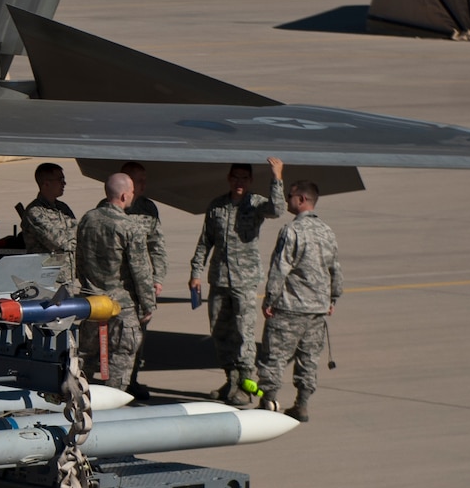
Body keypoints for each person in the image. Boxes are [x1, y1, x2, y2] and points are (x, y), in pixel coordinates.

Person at [187, 157, 286, 404]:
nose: (239, 182)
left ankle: (244, 385)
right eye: (235, 177)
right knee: (220, 332)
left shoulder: (255, 203)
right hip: (220, 279)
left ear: (250, 180)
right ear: (229, 179)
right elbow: (205, 241)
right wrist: (196, 272)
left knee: (244, 333)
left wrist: (276, 177)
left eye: (244, 178)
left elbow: (277, 210)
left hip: (245, 280)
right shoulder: (217, 206)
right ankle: (231, 379)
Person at [256, 179, 342, 422]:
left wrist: (269, 299)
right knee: (308, 358)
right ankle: (301, 404)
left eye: (290, 196)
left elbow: (280, 268)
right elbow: (335, 269)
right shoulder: (327, 231)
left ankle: (268, 401)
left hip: (290, 307)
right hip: (317, 310)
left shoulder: (292, 231)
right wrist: (333, 298)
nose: (287, 200)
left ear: (302, 199)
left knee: (274, 356)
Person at [75, 172, 156, 395]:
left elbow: (79, 260)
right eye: (131, 192)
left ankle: (79, 401)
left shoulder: (88, 220)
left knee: (84, 359)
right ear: (123, 196)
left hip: (92, 304)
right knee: (120, 361)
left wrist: (88, 287)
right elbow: (141, 271)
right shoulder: (130, 226)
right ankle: (111, 406)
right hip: (121, 307)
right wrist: (148, 304)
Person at [120, 161, 166, 397]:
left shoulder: (148, 208)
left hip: (142, 285)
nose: (144, 185)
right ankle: (115, 384)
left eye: (144, 180)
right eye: (139, 181)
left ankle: (132, 380)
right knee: (117, 338)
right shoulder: (110, 208)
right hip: (118, 285)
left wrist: (158, 278)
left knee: (139, 336)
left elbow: (157, 245)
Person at [16, 162, 76, 260]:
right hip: (47, 268)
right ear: (46, 184)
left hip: (68, 267)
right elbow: (58, 243)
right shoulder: (35, 212)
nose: (64, 183)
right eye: (60, 180)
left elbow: (77, 232)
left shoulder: (63, 207)